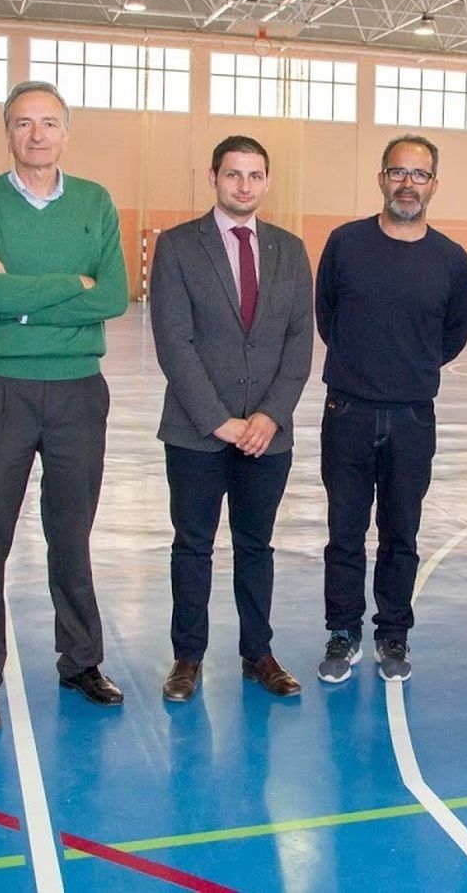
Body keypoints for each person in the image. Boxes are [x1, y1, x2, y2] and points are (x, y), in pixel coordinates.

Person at [0, 80, 129, 733]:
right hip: (0, 390)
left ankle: (80, 660)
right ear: (8, 132)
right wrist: (66, 287)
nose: (36, 134)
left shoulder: (94, 201)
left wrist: (27, 297)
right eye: (23, 123)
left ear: (65, 132)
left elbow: (112, 294)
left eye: (48, 123)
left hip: (79, 390)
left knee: (71, 536)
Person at [149, 135, 314, 702]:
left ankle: (258, 653)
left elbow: (298, 343)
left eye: (255, 175)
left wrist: (269, 416)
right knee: (192, 545)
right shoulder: (176, 247)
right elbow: (174, 341)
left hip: (267, 435)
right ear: (213, 178)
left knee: (256, 545)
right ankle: (187, 658)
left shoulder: (291, 250)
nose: (244, 185)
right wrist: (220, 420)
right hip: (196, 433)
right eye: (233, 174)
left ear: (267, 182)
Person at [315, 134, 467, 683]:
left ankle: (393, 635)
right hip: (348, 411)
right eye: (398, 172)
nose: (408, 184)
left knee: (401, 532)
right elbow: (326, 315)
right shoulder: (345, 243)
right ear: (382, 179)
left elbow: (454, 334)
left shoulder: (451, 259)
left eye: (420, 174)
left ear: (434, 184)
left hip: (412, 417)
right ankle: (342, 632)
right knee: (344, 531)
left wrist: (412, 365)